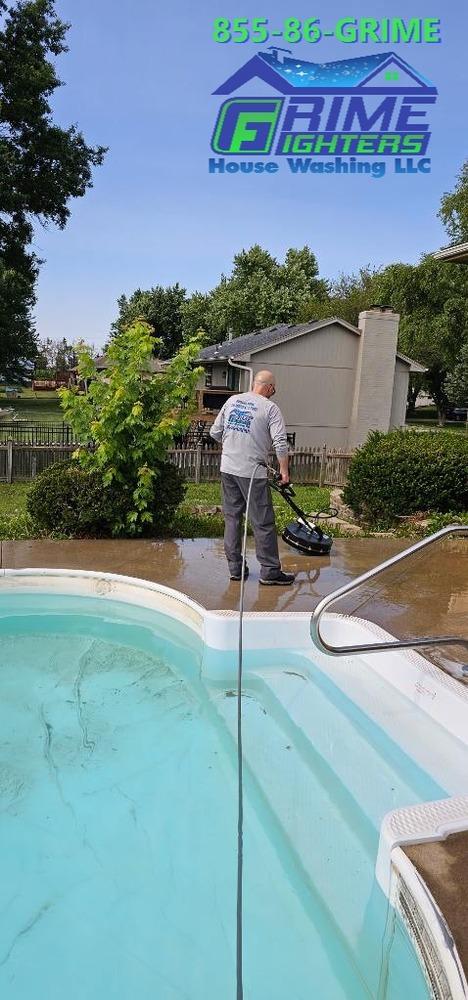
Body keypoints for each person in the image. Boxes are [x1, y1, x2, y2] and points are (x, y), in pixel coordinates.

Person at [210, 370, 296, 585]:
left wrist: (233, 447)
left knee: (232, 519)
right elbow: (280, 443)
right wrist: (284, 472)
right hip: (252, 474)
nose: (273, 392)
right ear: (269, 387)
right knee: (263, 522)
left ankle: (235, 569)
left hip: (228, 469)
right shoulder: (270, 408)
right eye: (273, 389)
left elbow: (215, 432)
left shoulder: (232, 401)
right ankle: (269, 572)